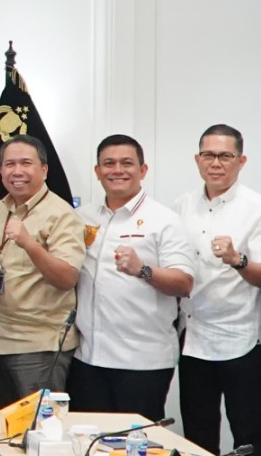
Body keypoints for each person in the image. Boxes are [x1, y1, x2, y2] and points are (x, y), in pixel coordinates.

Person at [173, 124, 261, 456]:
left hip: (241, 339)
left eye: (225, 156)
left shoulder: (258, 208)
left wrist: (237, 259)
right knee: (197, 436)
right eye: (208, 155)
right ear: (197, 159)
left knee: (246, 435)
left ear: (241, 160)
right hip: (193, 337)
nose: (216, 163)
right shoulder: (182, 206)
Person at [69, 135, 193, 422]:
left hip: (142, 362)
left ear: (143, 170)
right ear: (97, 171)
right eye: (108, 163)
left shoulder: (164, 220)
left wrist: (143, 270)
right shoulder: (81, 217)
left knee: (137, 443)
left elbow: (184, 282)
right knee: (87, 440)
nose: (117, 170)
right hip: (87, 359)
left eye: (127, 163)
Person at [0, 134, 86, 404]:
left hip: (39, 346)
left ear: (44, 169)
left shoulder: (61, 214)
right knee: (3, 424)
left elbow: (67, 277)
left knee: (38, 425)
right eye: (9, 164)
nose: (17, 171)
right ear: (1, 171)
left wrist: (29, 244)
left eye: (26, 163)